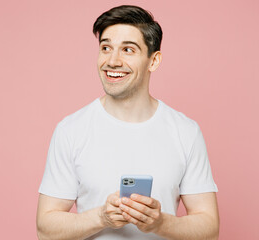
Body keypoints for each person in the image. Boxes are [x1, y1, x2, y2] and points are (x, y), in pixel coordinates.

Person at [36, 5, 219, 240]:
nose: (112, 61)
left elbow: (209, 228)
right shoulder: (70, 130)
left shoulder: (186, 132)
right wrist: (101, 217)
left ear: (153, 61)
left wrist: (159, 223)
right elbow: (45, 230)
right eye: (106, 48)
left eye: (128, 50)